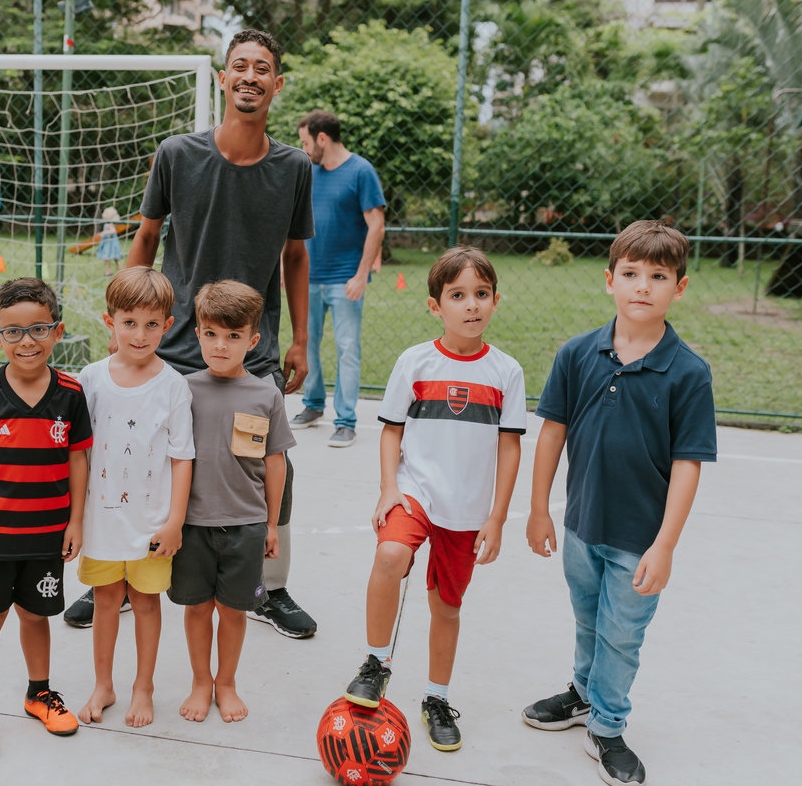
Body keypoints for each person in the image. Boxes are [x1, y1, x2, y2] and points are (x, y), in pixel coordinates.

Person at [63, 28, 319, 639]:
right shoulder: (177, 154)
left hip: (252, 351)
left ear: (276, 85)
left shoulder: (294, 168)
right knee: (145, 460)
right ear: (223, 79)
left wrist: (302, 338)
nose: (251, 76)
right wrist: (125, 320)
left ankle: (266, 587)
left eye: (263, 68)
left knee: (263, 465)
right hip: (174, 347)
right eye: (240, 66)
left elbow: (296, 257)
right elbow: (147, 238)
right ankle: (124, 575)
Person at [521, 221, 717, 786]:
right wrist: (539, 510)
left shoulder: (689, 372)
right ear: (610, 280)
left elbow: (688, 464)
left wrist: (666, 545)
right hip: (582, 523)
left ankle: (607, 726)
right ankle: (583, 693)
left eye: (658, 276)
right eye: (631, 274)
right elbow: (552, 432)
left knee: (622, 634)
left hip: (640, 537)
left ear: (678, 288)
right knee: (589, 619)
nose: (643, 286)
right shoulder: (577, 353)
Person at [343, 247, 525, 754]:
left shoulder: (506, 372)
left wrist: (497, 516)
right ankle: (375, 664)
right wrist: (388, 487)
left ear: (494, 302)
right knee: (389, 554)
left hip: (467, 509)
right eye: (458, 295)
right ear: (434, 306)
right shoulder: (414, 361)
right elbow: (390, 431)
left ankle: (436, 699)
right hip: (415, 489)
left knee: (446, 606)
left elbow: (510, 447)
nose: (472, 305)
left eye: (482, 295)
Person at [0, 277, 93, 756]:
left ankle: (39, 693)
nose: (27, 341)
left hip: (47, 534)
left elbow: (77, 459)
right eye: (13, 332)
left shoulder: (70, 393)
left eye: (38, 329)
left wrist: (74, 522)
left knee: (36, 616)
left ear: (57, 331)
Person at [75, 266, 195, 729]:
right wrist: (75, 518)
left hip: (151, 523)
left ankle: (143, 686)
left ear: (167, 324)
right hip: (101, 519)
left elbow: (183, 458)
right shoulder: (90, 379)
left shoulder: (174, 387)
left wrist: (175, 521)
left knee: (145, 603)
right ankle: (103, 684)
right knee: (105, 598)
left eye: (151, 324)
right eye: (129, 322)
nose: (140, 334)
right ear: (110, 322)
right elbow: (78, 454)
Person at [172, 280, 296, 723]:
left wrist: (268, 526)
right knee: (197, 607)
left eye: (233, 336)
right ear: (198, 333)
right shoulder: (181, 389)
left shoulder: (266, 395)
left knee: (235, 610)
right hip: (192, 525)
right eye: (210, 334)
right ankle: (200, 681)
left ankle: (226, 682)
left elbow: (275, 464)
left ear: (253, 339)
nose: (220, 345)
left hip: (245, 525)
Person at [288, 110, 385, 449]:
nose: (304, 148)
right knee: (308, 346)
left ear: (322, 138)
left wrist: (361, 275)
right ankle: (313, 405)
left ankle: (345, 421)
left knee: (347, 350)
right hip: (308, 279)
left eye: (305, 142)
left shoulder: (361, 171)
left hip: (346, 280)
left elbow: (376, 225)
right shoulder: (309, 173)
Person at [96, 206, 124, 276]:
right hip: (107, 242)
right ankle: (109, 270)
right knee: (105, 257)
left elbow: (113, 231)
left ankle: (120, 270)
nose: (103, 214)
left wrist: (104, 233)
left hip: (111, 243)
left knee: (115, 257)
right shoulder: (107, 223)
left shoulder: (109, 223)